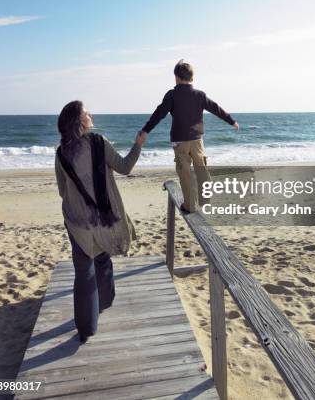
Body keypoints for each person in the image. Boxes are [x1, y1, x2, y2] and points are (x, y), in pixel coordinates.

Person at [55, 100, 145, 343]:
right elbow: (125, 167)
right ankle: (104, 302)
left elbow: (63, 191)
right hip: (102, 219)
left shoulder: (61, 152)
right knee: (102, 257)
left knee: (84, 272)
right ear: (79, 120)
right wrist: (137, 145)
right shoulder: (98, 141)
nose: (90, 114)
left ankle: (86, 329)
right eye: (86, 112)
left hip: (76, 223)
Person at [140, 60, 238, 212]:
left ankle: (190, 205)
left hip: (179, 141)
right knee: (201, 168)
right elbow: (215, 108)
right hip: (197, 139)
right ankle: (206, 202)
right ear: (192, 78)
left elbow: (159, 114)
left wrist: (145, 130)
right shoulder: (199, 95)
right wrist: (231, 121)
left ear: (176, 77)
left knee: (184, 171)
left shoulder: (172, 95)